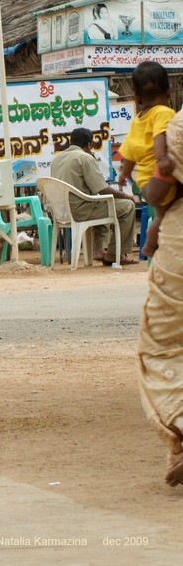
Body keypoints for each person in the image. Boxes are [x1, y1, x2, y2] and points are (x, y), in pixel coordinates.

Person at [138, 109, 183, 486]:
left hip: (179, 247)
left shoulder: (178, 127)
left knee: (163, 348)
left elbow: (161, 191)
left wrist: (152, 201)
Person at [52, 127, 138, 265]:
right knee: (127, 207)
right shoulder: (85, 157)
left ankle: (98, 250)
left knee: (101, 203)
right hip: (81, 210)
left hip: (61, 212)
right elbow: (103, 190)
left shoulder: (57, 158)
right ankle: (116, 254)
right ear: (89, 145)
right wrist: (127, 196)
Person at [117, 61, 177, 257]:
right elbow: (159, 137)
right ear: (169, 91)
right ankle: (150, 245)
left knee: (161, 215)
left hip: (143, 182)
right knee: (167, 214)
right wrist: (162, 159)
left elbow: (129, 156)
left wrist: (123, 175)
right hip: (160, 177)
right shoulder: (164, 113)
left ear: (136, 98)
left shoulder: (137, 122)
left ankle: (149, 246)